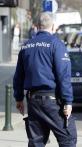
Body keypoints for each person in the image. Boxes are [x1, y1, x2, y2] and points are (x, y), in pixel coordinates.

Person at [13, 12, 77, 147]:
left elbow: (18, 76)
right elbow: (63, 75)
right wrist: (68, 101)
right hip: (53, 103)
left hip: (33, 102)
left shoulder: (26, 46)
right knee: (68, 139)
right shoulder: (56, 44)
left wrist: (18, 98)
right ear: (53, 26)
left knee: (36, 142)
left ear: (37, 26)